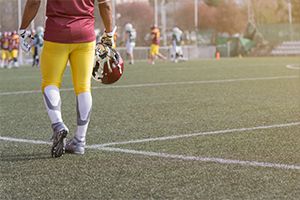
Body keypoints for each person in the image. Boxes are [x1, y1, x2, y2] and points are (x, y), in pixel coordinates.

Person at [19, 0, 115, 157]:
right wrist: (109, 32)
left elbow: (34, 2)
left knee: (50, 82)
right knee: (83, 87)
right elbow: (105, 5)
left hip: (57, 33)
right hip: (85, 35)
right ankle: (80, 141)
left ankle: (58, 124)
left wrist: (22, 29)